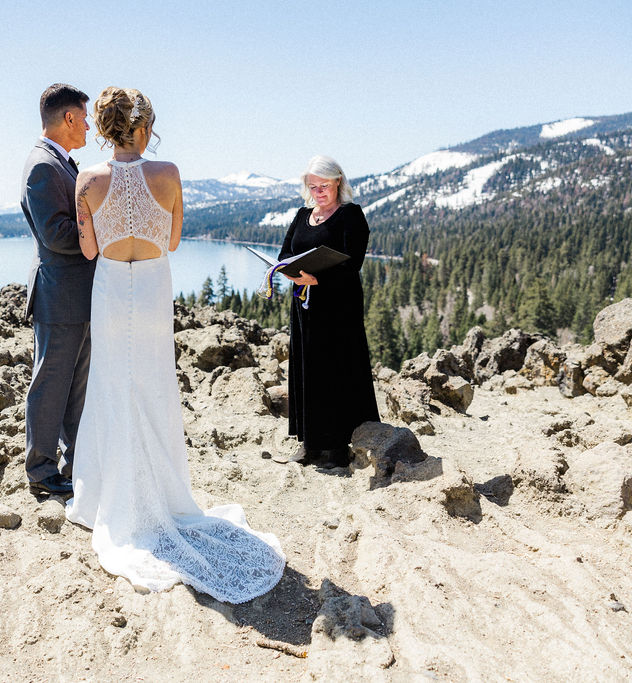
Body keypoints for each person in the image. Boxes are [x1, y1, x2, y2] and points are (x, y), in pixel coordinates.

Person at [66, 87, 285, 604]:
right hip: (155, 287)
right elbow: (173, 241)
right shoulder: (168, 173)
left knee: (112, 384)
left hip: (113, 287)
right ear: (145, 126)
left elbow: (88, 247)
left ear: (103, 127)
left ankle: (107, 495)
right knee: (155, 384)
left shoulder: (88, 180)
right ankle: (163, 493)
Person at [278, 155, 380, 469]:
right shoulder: (301, 215)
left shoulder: (351, 215)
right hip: (305, 306)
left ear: (338, 181)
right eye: (313, 186)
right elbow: (285, 253)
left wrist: (318, 278)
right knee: (308, 370)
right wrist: (291, 272)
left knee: (336, 371)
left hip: (339, 307)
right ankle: (309, 444)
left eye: (325, 185)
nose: (319, 191)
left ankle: (338, 447)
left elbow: (353, 263)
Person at [20, 83, 95, 497]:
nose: (88, 126)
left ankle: (72, 465)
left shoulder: (62, 163)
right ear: (68, 118)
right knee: (50, 385)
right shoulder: (42, 166)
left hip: (77, 297)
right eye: (83, 118)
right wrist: (106, 229)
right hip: (59, 296)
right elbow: (57, 235)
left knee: (75, 388)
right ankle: (42, 471)